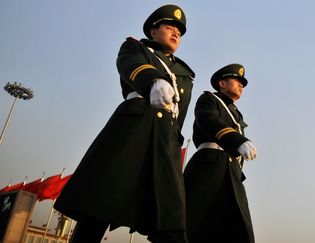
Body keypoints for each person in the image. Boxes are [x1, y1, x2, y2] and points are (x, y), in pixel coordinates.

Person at [54, 4, 195, 243]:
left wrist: (175, 140)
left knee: (171, 216)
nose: (175, 34)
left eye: (179, 33)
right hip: (134, 129)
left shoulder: (184, 73)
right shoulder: (135, 47)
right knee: (100, 205)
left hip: (165, 143)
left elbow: (179, 116)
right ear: (153, 31)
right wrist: (152, 81)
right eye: (170, 27)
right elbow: (130, 65)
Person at [183, 63, 257, 243]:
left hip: (232, 173)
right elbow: (208, 120)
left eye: (243, 83)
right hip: (210, 167)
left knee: (237, 230)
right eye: (237, 80)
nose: (241, 85)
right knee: (197, 225)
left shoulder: (236, 113)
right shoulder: (209, 100)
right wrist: (237, 140)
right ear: (222, 83)